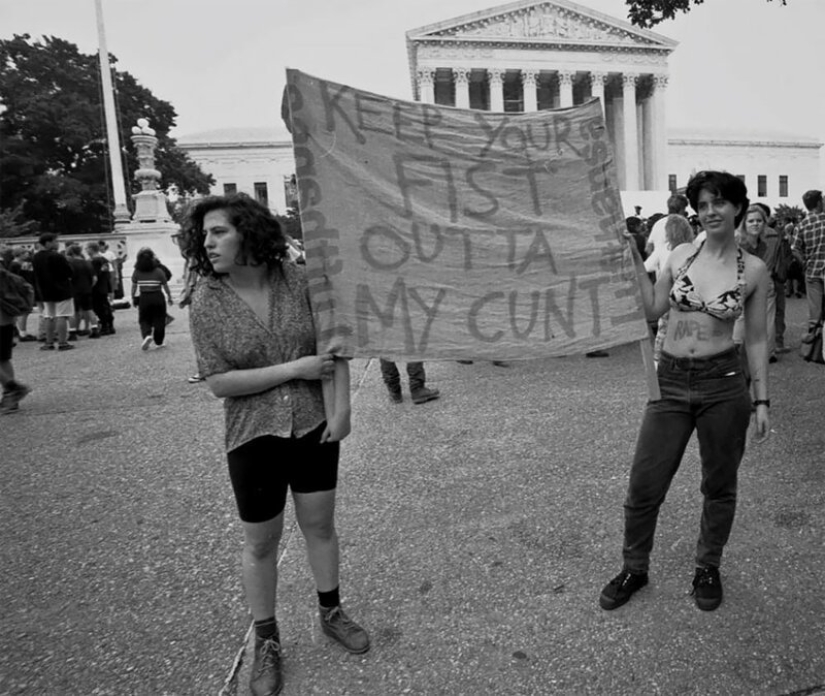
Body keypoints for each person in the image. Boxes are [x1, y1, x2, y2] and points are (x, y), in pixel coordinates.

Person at [180, 193, 368, 696]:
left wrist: (343, 409)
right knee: (261, 543)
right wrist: (294, 369)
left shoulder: (301, 281)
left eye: (218, 231)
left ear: (248, 231)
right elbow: (220, 382)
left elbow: (336, 346)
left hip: (312, 426)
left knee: (320, 526)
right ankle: (266, 641)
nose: (208, 242)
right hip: (252, 434)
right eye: (204, 235)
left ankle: (331, 610)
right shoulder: (207, 300)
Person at [599, 171, 770, 614]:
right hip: (670, 381)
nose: (710, 211)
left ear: (737, 207)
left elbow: (754, 338)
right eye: (703, 203)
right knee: (644, 484)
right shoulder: (678, 255)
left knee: (719, 485)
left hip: (724, 384)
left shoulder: (752, 270)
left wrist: (762, 400)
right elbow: (653, 308)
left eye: (719, 202)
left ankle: (707, 566)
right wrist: (636, 259)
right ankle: (634, 568)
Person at [643, 214, 695, 363]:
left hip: (666, 296)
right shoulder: (694, 249)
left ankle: (659, 362)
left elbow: (647, 267)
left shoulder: (663, 250)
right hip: (687, 299)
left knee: (663, 332)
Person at [737, 204, 778, 362]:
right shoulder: (737, 242)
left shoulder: (763, 243)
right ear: (744, 223)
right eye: (751, 221)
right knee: (740, 322)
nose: (755, 224)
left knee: (767, 320)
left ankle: (764, 354)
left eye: (759, 221)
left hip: (762, 285)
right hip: (741, 287)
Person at [31, 232, 75, 351]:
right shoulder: (57, 256)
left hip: (45, 290)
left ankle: (49, 341)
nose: (57, 243)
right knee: (62, 316)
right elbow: (69, 272)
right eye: (55, 241)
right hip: (61, 289)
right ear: (48, 242)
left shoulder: (36, 257)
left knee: (49, 316)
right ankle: (62, 342)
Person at [792, 190, 825, 344]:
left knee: (815, 310)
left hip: (812, 271)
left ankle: (815, 343)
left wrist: (804, 262)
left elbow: (794, 248)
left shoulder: (802, 224)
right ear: (819, 203)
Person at [131, 248, 174, 350]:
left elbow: (134, 286)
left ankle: (147, 335)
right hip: (157, 296)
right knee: (159, 318)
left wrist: (133, 297)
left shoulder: (137, 272)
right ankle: (159, 341)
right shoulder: (158, 271)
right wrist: (169, 297)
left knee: (144, 318)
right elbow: (165, 286)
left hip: (144, 297)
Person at [65, 244, 96, 340]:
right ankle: (95, 329)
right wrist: (89, 286)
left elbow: (68, 278)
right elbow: (94, 278)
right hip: (86, 288)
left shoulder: (70, 263)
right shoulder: (87, 262)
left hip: (74, 289)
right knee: (89, 309)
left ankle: (73, 331)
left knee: (74, 311)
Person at [86, 242, 114, 337]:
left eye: (87, 248)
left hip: (96, 287)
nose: (86, 251)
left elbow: (94, 275)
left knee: (99, 307)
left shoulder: (94, 261)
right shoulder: (104, 260)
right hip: (104, 286)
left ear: (91, 249)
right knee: (105, 305)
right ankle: (110, 325)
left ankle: (105, 326)